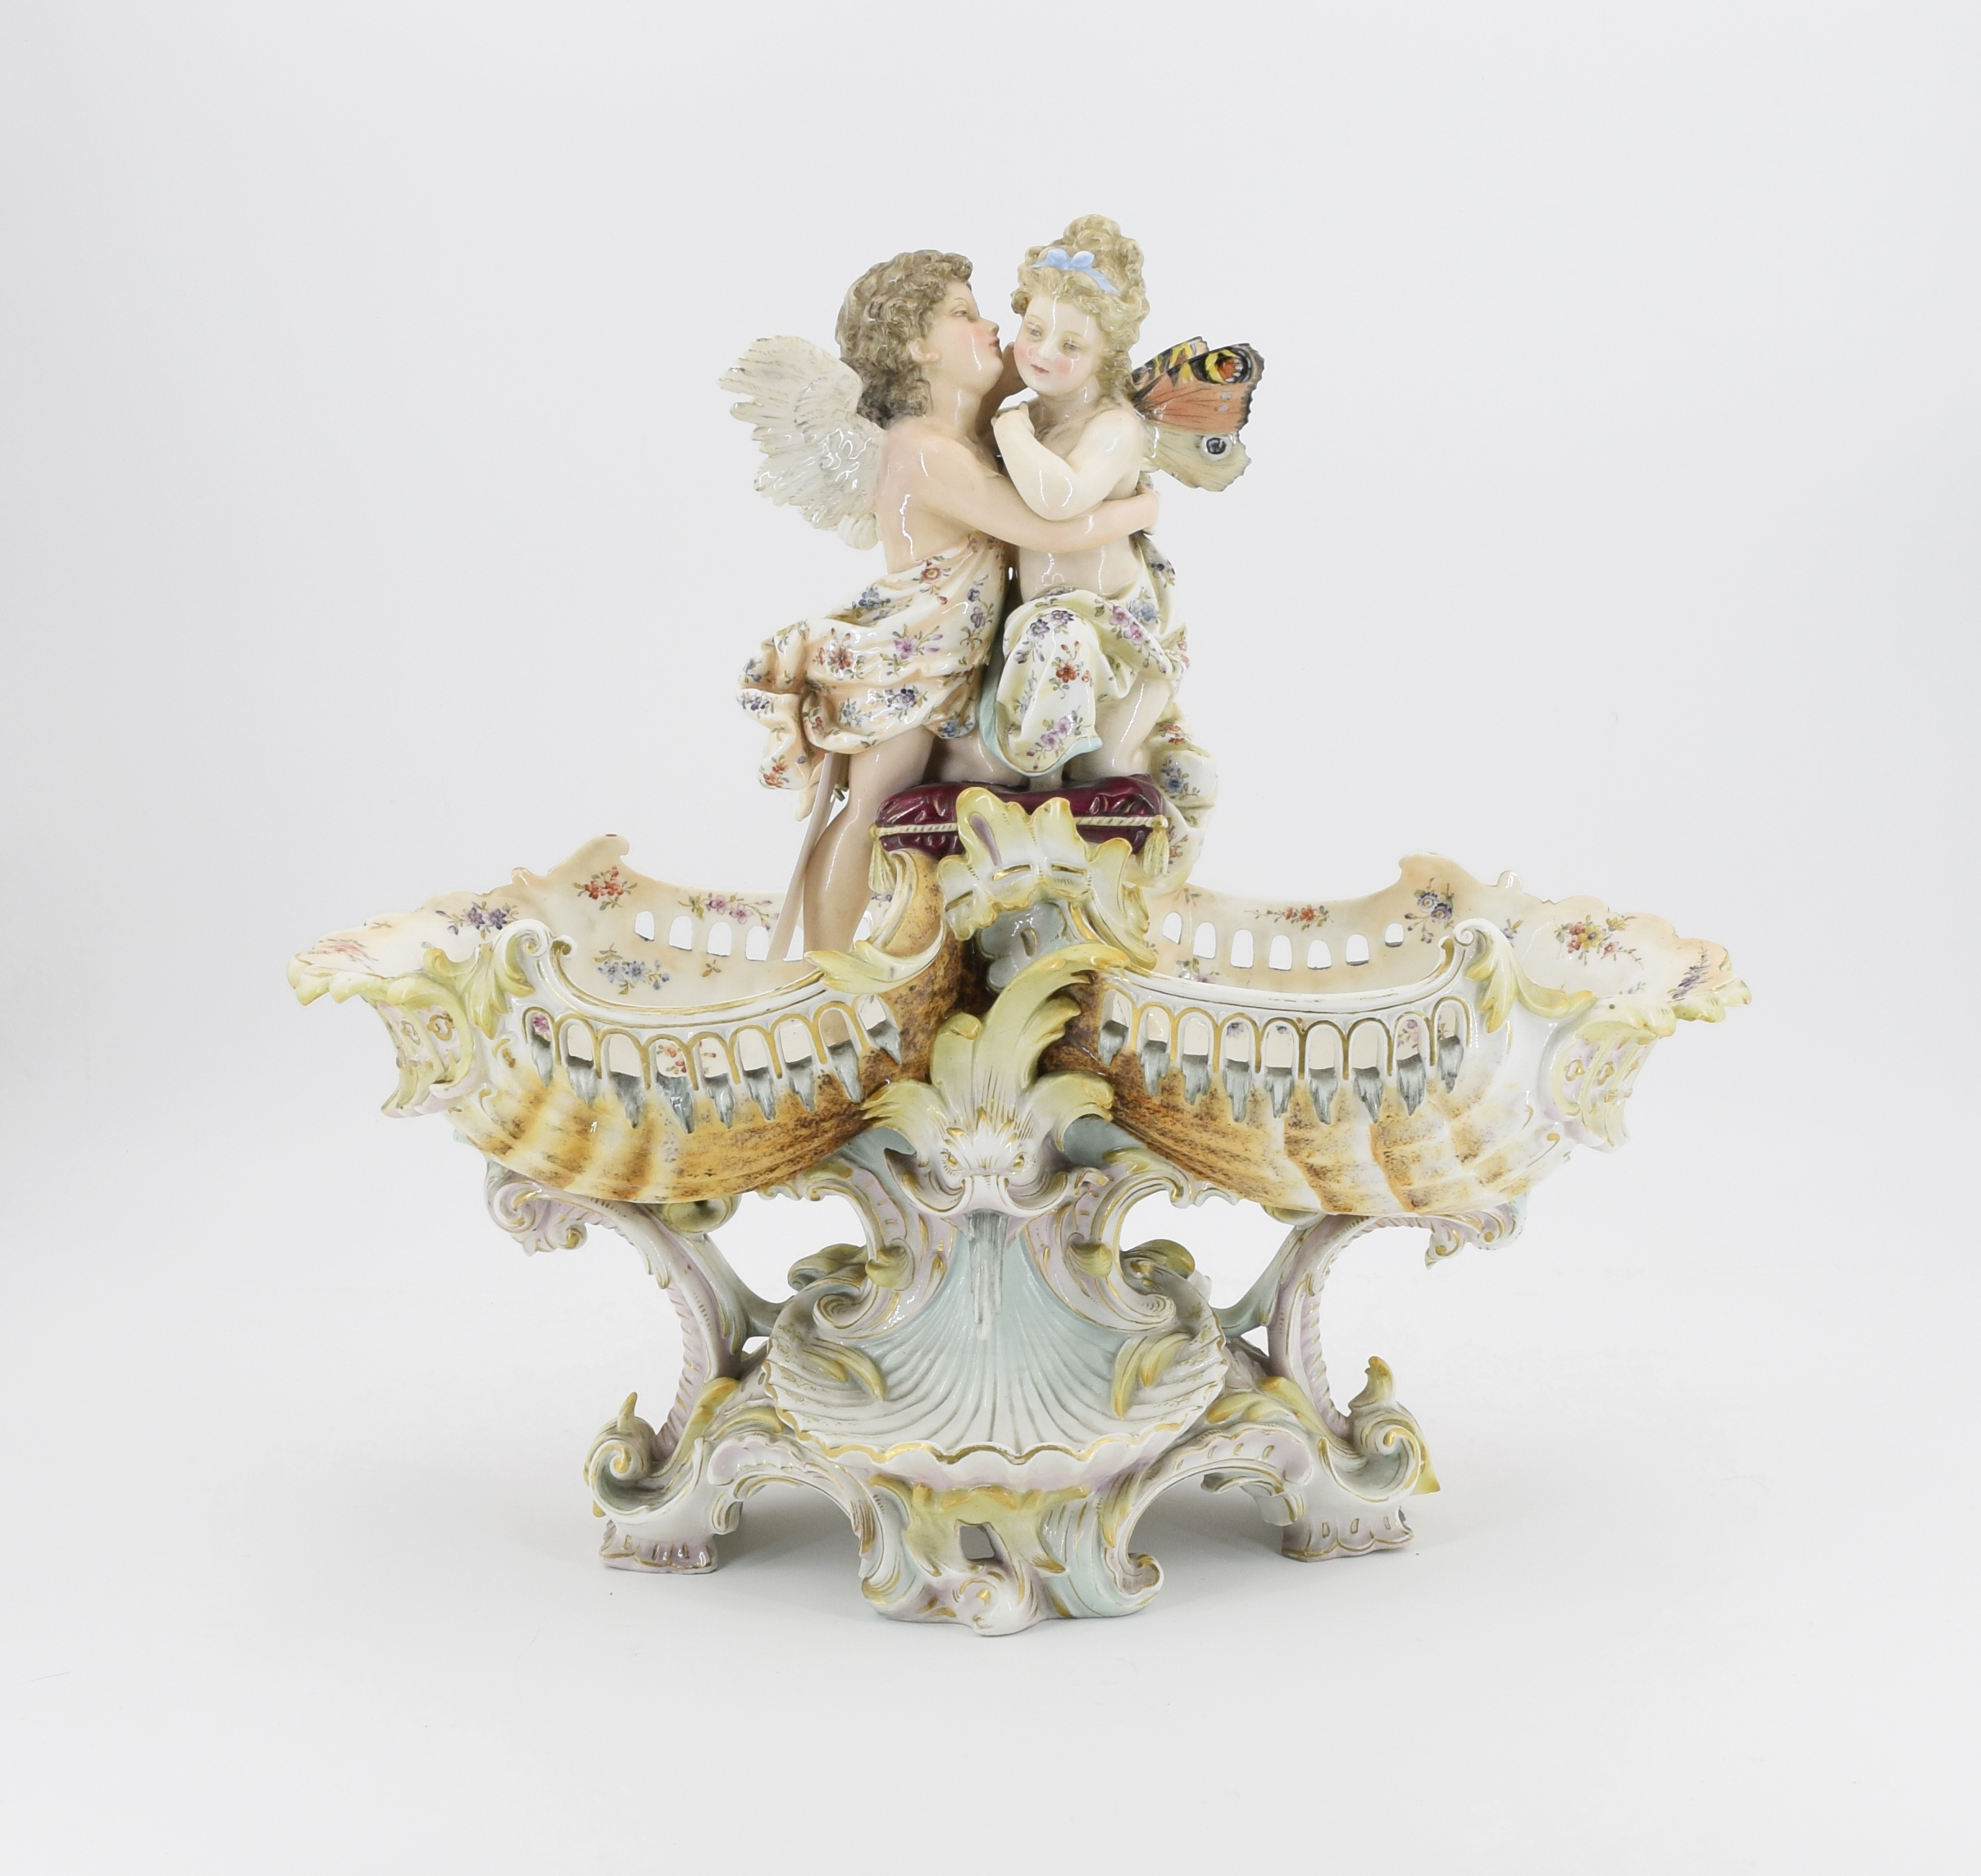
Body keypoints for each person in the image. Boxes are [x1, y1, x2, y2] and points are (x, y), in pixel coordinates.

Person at [737, 250, 1159, 954]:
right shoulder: (926, 448)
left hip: (956, 664)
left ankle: (952, 943)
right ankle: (824, 969)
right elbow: (1043, 528)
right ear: (918, 347)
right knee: (868, 808)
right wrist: (1143, 507)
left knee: (976, 778)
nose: (992, 326)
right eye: (964, 314)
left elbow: (1049, 372)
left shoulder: (967, 426)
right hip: (909, 664)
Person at [983, 216, 1218, 874]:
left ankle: (1156, 863)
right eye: (1033, 330)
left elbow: (1058, 499)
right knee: (1032, 758)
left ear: (1105, 355)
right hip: (1036, 632)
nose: (1042, 352)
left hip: (1116, 635)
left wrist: (1008, 428)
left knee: (1108, 765)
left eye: (1070, 344)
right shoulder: (1035, 416)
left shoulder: (1112, 426)